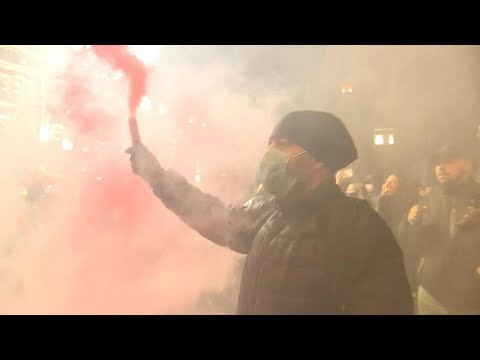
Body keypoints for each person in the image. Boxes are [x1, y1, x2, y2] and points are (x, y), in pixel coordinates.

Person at [127, 110, 413, 314]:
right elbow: (212, 216)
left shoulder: (359, 229)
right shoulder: (270, 211)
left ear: (319, 162)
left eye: (283, 145)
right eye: (270, 145)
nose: (269, 155)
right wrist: (157, 176)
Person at [398, 145, 480, 314]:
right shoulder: (431, 196)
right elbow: (409, 241)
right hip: (430, 293)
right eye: (437, 163)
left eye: (449, 161)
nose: (441, 167)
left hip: (469, 297)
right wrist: (410, 221)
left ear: (466, 165)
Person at [377, 173, 418, 237]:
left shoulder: (403, 201)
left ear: (399, 186)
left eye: (392, 182)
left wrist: (384, 197)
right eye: (387, 182)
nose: (388, 185)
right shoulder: (382, 200)